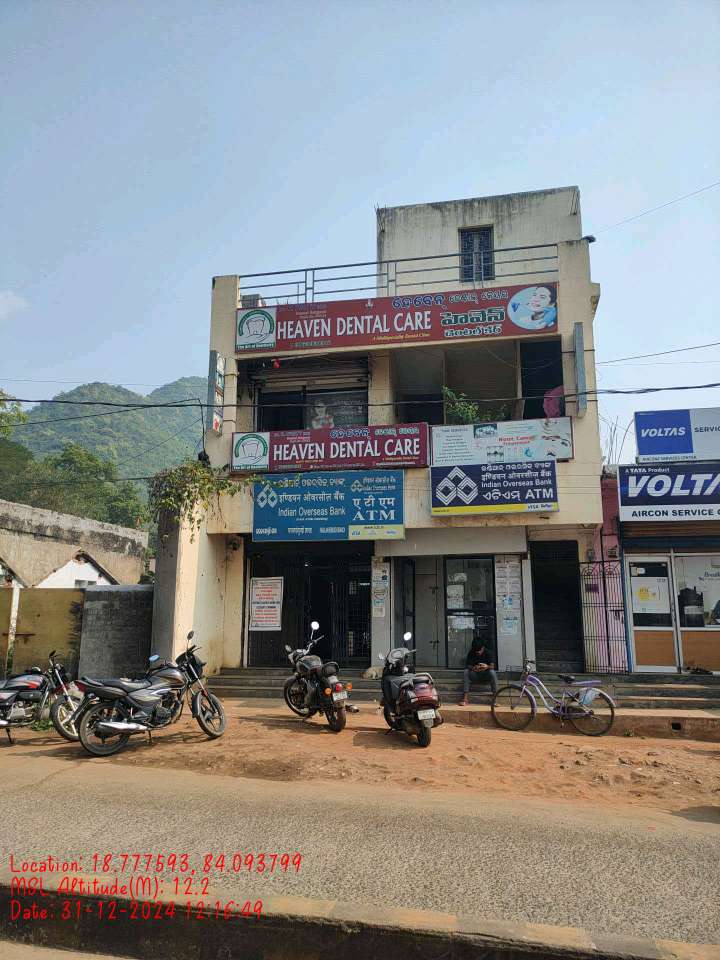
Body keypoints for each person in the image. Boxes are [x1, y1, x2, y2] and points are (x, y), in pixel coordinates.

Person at [458, 637, 498, 705]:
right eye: (476, 651)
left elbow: (492, 666)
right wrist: (474, 668)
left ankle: (495, 698)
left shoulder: (488, 653)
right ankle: (465, 698)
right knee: (466, 672)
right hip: (475, 675)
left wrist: (486, 667)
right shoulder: (471, 652)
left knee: (492, 672)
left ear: (483, 647)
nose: (478, 652)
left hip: (485, 676)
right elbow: (468, 665)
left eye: (479, 650)